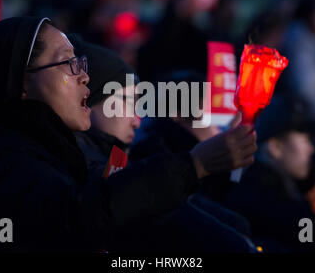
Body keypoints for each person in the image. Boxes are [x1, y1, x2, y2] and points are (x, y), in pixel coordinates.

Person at [0, 17, 256, 252]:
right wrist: (193, 165)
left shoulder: (55, 150)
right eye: (68, 64)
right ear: (22, 80)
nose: (84, 76)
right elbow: (74, 219)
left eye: (81, 63)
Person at [70, 35, 256, 252]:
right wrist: (197, 165)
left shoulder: (125, 157)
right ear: (88, 100)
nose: (136, 118)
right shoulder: (83, 167)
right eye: (127, 102)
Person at [220, 95, 315, 252]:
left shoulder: (275, 190)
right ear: (276, 147)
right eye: (304, 140)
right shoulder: (270, 200)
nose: (311, 149)